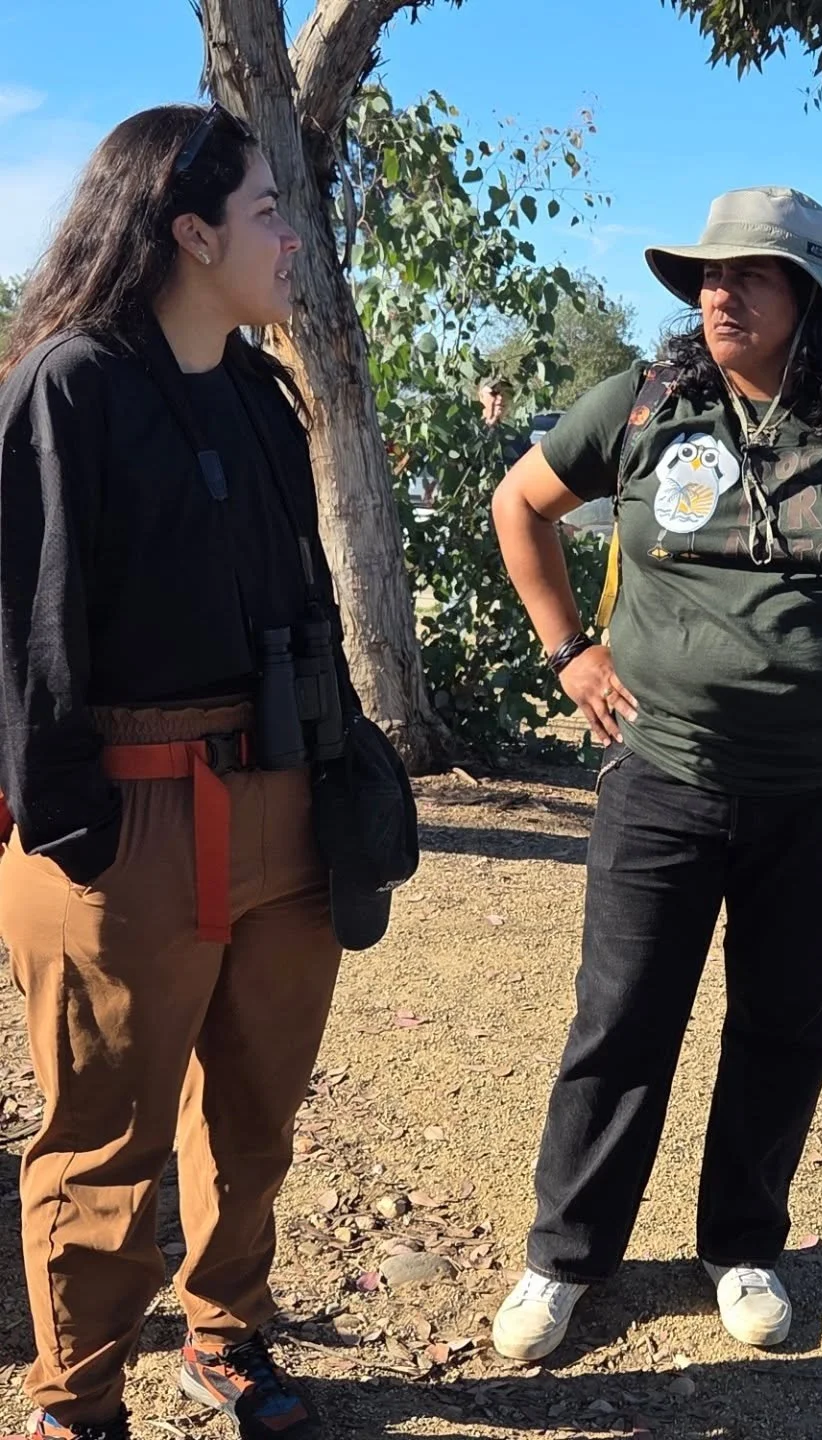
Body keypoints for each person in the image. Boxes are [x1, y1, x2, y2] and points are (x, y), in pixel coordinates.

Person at [489, 186, 822, 1361]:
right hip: (664, 772)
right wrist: (570, 652)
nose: (720, 294)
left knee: (783, 1023)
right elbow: (519, 502)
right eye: (708, 277)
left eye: (751, 276)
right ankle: (564, 1260)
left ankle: (741, 1246)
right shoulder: (644, 401)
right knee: (621, 1021)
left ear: (813, 298)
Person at [0, 103, 363, 1440]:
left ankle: (227, 1341)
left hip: (283, 807)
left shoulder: (263, 395)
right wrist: (75, 831)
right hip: (129, 822)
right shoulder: (73, 382)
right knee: (105, 1144)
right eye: (269, 209)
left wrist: (342, 771)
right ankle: (76, 1406)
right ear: (189, 230)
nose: (290, 235)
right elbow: (25, 632)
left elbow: (310, 606)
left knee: (254, 1115)